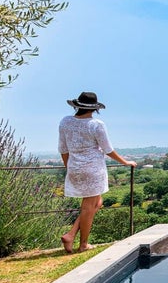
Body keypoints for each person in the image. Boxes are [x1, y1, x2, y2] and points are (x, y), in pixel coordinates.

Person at [58, 92, 136, 253]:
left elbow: (63, 149)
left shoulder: (65, 122)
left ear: (77, 106)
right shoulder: (96, 124)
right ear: (95, 108)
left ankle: (71, 234)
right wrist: (125, 162)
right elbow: (108, 150)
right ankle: (83, 244)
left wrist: (69, 167)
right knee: (88, 206)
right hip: (93, 169)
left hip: (74, 167)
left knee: (96, 203)